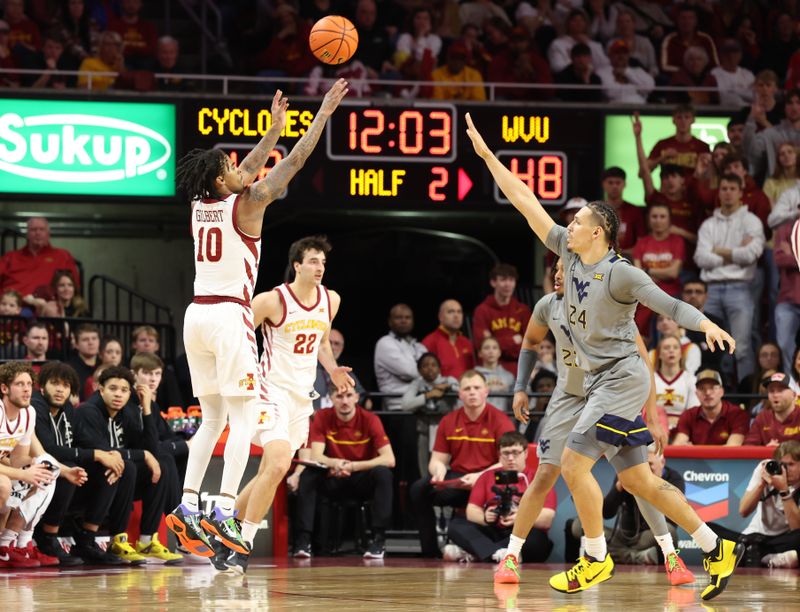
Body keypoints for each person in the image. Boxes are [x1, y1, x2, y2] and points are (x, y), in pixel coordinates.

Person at [466, 112, 741, 601]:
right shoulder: (569, 258)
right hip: (598, 384)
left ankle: (595, 558)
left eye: (577, 222)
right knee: (640, 482)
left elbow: (671, 305)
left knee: (572, 462)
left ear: (599, 233)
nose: (567, 227)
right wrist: (489, 158)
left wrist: (708, 324)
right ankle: (712, 545)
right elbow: (527, 203)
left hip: (622, 378)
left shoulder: (622, 274)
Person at [166, 81, 347, 560]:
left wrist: (271, 131)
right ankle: (224, 508)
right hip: (228, 315)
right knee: (242, 418)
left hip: (195, 314)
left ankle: (187, 505)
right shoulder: (249, 204)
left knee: (212, 418)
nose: (239, 168)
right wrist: (321, 116)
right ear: (224, 181)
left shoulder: (202, 203)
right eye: (231, 167)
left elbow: (247, 169)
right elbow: (293, 165)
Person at [501, 258, 694, 586]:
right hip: (568, 398)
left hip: (610, 395)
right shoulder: (548, 305)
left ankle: (671, 555)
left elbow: (643, 363)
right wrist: (520, 386)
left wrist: (653, 416)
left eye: (567, 270)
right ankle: (511, 556)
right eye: (556, 271)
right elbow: (531, 342)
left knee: (637, 479)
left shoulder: (609, 308)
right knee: (546, 473)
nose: (560, 275)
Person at [224, 235, 354, 573]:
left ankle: (223, 525)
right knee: (280, 463)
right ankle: (243, 544)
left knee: (273, 469)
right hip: (269, 391)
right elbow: (235, 334)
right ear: (296, 264)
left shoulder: (331, 299)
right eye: (312, 261)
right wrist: (241, 375)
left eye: (323, 262)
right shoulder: (272, 300)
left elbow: (323, 342)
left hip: (301, 398)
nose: (319, 268)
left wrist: (333, 370)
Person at [31, 361, 142, 566]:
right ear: (42, 386)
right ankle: (47, 537)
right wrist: (96, 454)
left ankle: (87, 539)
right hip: (36, 476)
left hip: (66, 484)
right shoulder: (35, 406)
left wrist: (112, 455)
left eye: (65, 385)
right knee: (65, 466)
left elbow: (85, 439)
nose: (59, 389)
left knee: (118, 467)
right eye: (54, 383)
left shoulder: (67, 409)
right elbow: (48, 449)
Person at [409, 370, 515, 558]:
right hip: (459, 480)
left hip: (490, 480)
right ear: (460, 394)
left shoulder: (500, 420)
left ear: (486, 392)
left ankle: (495, 549)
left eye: (477, 388)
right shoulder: (449, 421)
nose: (472, 392)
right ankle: (430, 550)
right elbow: (437, 460)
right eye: (467, 388)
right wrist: (438, 470)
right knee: (419, 488)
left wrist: (480, 477)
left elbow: (506, 462)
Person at [74, 365, 173, 564]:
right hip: (84, 479)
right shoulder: (88, 411)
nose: (118, 394)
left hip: (117, 479)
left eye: (124, 390)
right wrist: (142, 454)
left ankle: (147, 540)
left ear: (130, 393)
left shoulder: (124, 414)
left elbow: (151, 450)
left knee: (161, 464)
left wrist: (146, 409)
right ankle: (115, 539)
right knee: (125, 466)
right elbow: (104, 453)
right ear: (100, 390)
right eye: (112, 389)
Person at [0, 361, 87, 568]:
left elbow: (19, 458)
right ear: (4, 388)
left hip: (5, 469)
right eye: (20, 384)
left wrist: (57, 469)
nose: (26, 389)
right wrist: (23, 475)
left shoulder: (28, 413)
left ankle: (12, 545)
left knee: (46, 467)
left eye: (29, 384)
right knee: (4, 485)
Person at [292, 384, 394, 559]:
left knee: (383, 474)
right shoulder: (323, 417)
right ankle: (304, 541)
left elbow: (389, 459)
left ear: (356, 397)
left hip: (360, 478)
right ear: (330, 399)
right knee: (308, 474)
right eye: (339, 397)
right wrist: (336, 464)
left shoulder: (370, 419)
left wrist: (352, 466)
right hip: (334, 477)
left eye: (348, 396)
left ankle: (378, 540)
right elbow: (316, 455)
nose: (344, 401)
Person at [694, 174, 765, 381]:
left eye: (732, 188)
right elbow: (700, 257)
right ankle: (716, 391)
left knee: (741, 346)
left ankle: (745, 395)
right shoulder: (709, 224)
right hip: (712, 290)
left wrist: (717, 251)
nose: (727, 192)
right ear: (719, 192)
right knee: (711, 344)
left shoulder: (751, 221)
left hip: (740, 288)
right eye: (724, 188)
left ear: (740, 192)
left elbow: (751, 254)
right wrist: (734, 254)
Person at [445, 432, 554, 564]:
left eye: (515, 453)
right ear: (499, 455)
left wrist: (520, 518)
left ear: (525, 453)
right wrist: (485, 517)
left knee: (537, 539)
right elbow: (472, 510)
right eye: (506, 453)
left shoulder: (538, 479)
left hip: (520, 531)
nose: (510, 458)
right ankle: (499, 554)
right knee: (456, 525)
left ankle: (480, 553)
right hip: (493, 529)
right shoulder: (486, 476)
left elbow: (547, 518)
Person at [568, 448, 685, 565]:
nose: (645, 470)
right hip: (623, 536)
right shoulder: (628, 474)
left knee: (669, 531)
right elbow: (607, 513)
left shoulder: (673, 479)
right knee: (580, 526)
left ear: (662, 462)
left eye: (650, 464)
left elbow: (674, 518)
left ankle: (615, 557)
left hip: (649, 536)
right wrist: (618, 488)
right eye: (642, 466)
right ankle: (635, 557)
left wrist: (651, 488)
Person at [734, 440, 800, 568]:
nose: (784, 469)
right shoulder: (766, 468)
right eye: (782, 464)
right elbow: (743, 511)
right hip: (752, 537)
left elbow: (796, 529)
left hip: (782, 540)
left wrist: (784, 490)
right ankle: (759, 554)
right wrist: (762, 484)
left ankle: (755, 555)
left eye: (791, 464)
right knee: (708, 529)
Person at [401, 352, 458, 478]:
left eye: (434, 365)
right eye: (425, 366)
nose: (430, 368)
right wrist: (429, 395)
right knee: (424, 467)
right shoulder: (417, 383)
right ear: (419, 370)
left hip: (447, 431)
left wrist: (448, 387)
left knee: (446, 465)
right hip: (424, 430)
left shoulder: (449, 380)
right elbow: (405, 404)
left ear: (439, 368)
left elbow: (463, 392)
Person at [632, 204, 685, 337]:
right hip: (646, 297)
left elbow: (673, 272)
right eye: (654, 217)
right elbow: (638, 275)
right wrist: (663, 273)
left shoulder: (677, 241)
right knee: (639, 337)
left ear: (669, 220)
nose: (658, 220)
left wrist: (647, 270)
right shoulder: (642, 243)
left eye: (662, 217)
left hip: (670, 297)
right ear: (649, 220)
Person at [472, 263, 531, 377]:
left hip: (520, 367)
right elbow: (482, 344)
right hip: (491, 370)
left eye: (511, 280)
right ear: (493, 282)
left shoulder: (523, 310)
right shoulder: (482, 310)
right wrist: (513, 341)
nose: (508, 284)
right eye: (503, 280)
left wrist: (496, 342)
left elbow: (529, 343)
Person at [0, 217, 80, 300]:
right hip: (11, 308)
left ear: (48, 234)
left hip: (49, 308)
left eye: (42, 229)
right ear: (27, 234)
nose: (37, 233)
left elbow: (74, 287)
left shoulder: (63, 256)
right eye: (33, 230)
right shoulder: (10, 257)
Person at [672, 369, 749, 446]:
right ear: (696, 394)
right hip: (698, 458)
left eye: (712, 388)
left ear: (721, 391)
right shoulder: (688, 415)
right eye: (702, 388)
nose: (707, 393)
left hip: (724, 458)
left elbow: (732, 448)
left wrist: (693, 450)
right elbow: (678, 445)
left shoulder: (737, 414)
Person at [374, 303, 427, 410]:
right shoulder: (384, 343)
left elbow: (432, 371)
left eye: (408, 317)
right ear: (390, 321)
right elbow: (410, 372)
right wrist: (425, 373)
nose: (404, 321)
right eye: (399, 317)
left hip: (421, 405)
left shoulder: (418, 346)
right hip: (397, 407)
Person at [744, 90, 800, 178]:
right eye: (790, 103)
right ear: (784, 107)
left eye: (798, 103)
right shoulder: (771, 133)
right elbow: (751, 151)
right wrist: (751, 119)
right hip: (775, 186)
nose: (794, 107)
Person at [645, 104, 711, 178]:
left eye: (687, 117)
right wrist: (662, 158)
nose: (683, 121)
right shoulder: (662, 144)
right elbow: (643, 172)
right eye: (679, 117)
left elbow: (709, 177)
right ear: (673, 120)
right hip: (667, 188)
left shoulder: (702, 147)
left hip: (694, 189)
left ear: (693, 120)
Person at [312, 329, 367, 410]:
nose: (332, 347)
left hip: (339, 418)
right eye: (329, 342)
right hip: (312, 418)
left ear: (342, 348)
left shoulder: (345, 371)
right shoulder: (309, 368)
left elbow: (361, 396)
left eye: (336, 344)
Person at [129, 325, 181, 411]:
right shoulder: (126, 370)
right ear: (134, 344)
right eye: (142, 340)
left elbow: (175, 403)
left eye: (151, 340)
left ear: (157, 346)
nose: (147, 344)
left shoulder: (167, 373)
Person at [653, 334, 697, 432]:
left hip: (683, 431)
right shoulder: (650, 380)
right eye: (666, 348)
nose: (671, 350)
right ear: (659, 354)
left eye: (675, 347)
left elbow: (693, 413)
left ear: (681, 354)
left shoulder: (691, 380)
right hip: (655, 431)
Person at [422, 299, 474, 379]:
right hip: (445, 390)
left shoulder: (467, 342)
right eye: (451, 312)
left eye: (459, 312)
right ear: (440, 317)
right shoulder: (429, 342)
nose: (456, 315)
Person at [659, 4, 718, 74]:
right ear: (677, 21)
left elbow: (715, 66)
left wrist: (698, 71)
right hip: (678, 78)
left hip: (703, 78)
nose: (687, 22)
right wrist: (689, 71)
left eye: (690, 18)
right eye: (683, 18)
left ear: (696, 21)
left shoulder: (706, 39)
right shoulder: (669, 40)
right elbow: (664, 66)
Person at [744, 373, 800, 446]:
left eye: (780, 390)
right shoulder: (762, 418)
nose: (775, 395)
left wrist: (781, 450)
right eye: (771, 391)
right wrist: (766, 450)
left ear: (794, 395)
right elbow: (748, 448)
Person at [774, 219, 800, 375]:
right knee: (785, 345)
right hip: (788, 299)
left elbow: (788, 259)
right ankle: (792, 389)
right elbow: (779, 259)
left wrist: (792, 253)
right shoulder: (785, 230)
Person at [597, 39, 654, 104]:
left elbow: (650, 88)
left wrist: (626, 72)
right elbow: (610, 92)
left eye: (624, 53)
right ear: (610, 55)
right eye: (617, 53)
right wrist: (637, 89)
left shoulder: (638, 71)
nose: (621, 56)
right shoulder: (602, 72)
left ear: (628, 56)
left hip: (639, 110)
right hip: (615, 110)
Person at [107, 0, 157, 70]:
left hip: (144, 63)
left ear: (140, 5)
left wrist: (127, 48)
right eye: (128, 2)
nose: (131, 5)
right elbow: (113, 49)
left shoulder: (148, 27)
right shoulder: (114, 26)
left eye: (135, 2)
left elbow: (152, 49)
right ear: (122, 4)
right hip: (122, 62)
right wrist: (139, 50)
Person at [475, 337, 514, 413]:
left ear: (499, 353)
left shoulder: (509, 376)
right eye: (486, 348)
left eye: (494, 348)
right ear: (480, 353)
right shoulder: (474, 376)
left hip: (503, 418)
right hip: (481, 418)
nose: (491, 351)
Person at [711, 39, 754, 107]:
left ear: (740, 55)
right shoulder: (714, 74)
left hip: (748, 112)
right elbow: (723, 97)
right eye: (727, 52)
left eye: (735, 52)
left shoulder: (748, 74)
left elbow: (753, 96)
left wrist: (734, 91)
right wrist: (741, 93)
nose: (731, 55)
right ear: (721, 55)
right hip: (723, 112)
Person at [67, 323, 99, 400]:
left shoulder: (105, 366)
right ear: (76, 344)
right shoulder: (69, 368)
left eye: (94, 338)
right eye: (85, 339)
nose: (91, 342)